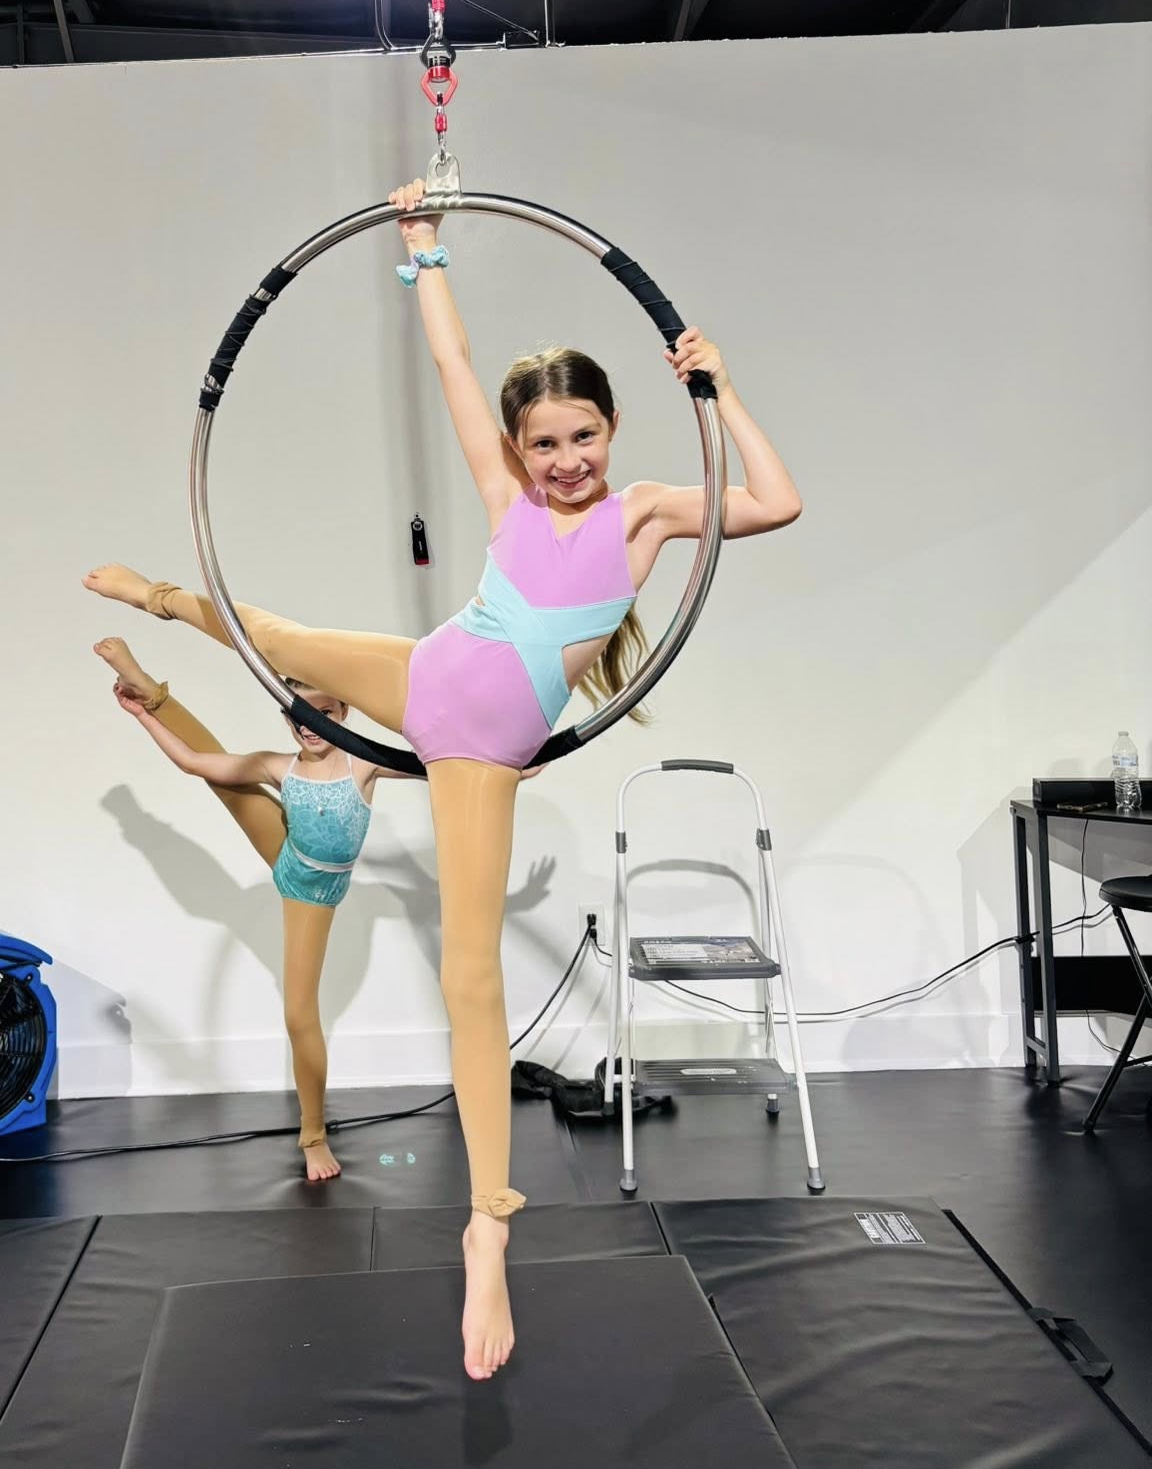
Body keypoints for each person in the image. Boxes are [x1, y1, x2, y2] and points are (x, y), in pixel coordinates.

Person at [85, 179, 801, 1380]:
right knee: (275, 631)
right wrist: (423, 250)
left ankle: (487, 1223)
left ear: (611, 433)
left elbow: (775, 501)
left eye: (583, 437)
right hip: (428, 674)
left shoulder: (650, 512)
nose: (565, 460)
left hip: (485, 745)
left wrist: (717, 386)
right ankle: (161, 596)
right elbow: (457, 366)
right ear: (521, 449)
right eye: (545, 443)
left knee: (470, 974)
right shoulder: (503, 491)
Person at [94, 634, 394, 1184]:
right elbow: (192, 761)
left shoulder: (366, 765)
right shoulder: (280, 765)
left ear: (344, 711)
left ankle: (315, 1133)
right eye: (299, 715)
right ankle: (147, 685)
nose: (310, 725)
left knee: (299, 1013)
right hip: (287, 855)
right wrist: (142, 715)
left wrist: (515, 764)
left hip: (313, 892)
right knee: (220, 778)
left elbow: (443, 764)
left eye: (323, 713)